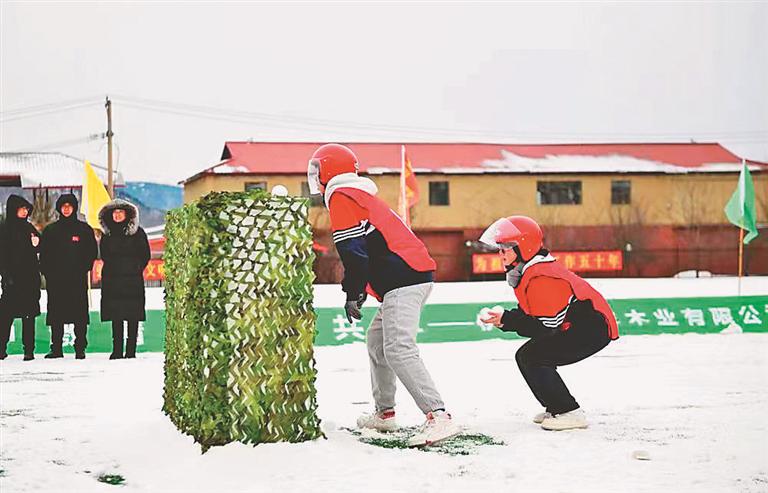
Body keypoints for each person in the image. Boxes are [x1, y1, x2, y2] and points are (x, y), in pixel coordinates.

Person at [308, 143, 459, 446]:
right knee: (377, 343)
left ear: (327, 171)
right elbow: (366, 250)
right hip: (405, 278)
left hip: (405, 279)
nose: (315, 177)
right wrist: (359, 289)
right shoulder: (357, 194)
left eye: (316, 170)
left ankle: (438, 416)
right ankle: (385, 414)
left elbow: (354, 252)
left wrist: (352, 292)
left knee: (398, 348)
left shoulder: (341, 195)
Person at [480, 215, 619, 431]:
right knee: (533, 354)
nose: (500, 255)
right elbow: (535, 313)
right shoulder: (531, 271)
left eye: (505, 249)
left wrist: (508, 320)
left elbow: (545, 325)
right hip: (578, 326)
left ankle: (568, 411)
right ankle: (556, 407)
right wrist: (505, 320)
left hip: (592, 328)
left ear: (522, 248)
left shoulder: (541, 276)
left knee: (531, 356)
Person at [40, 194, 98, 359]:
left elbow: (92, 252)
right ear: (59, 208)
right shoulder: (51, 230)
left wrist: (84, 268)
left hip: (77, 280)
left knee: (79, 315)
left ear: (74, 208)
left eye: (69, 206)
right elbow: (43, 254)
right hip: (56, 281)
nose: (66, 209)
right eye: (63, 206)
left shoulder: (84, 229)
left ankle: (80, 348)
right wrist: (48, 273)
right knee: (56, 315)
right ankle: (56, 348)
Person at [98, 199, 150, 359]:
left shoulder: (138, 233)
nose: (118, 215)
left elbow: (145, 255)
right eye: (115, 212)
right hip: (112, 280)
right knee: (116, 316)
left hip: (132, 280)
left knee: (132, 315)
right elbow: (104, 255)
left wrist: (134, 268)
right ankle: (117, 349)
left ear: (127, 215)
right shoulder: (107, 235)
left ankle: (131, 350)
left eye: (121, 212)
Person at [0, 195, 42, 360]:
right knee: (5, 317)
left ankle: (29, 350)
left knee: (29, 316)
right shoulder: (4, 229)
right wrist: (5, 275)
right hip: (12, 281)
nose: (25, 212)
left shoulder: (29, 228)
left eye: (27, 210)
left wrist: (38, 244)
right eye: (22, 209)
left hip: (29, 280)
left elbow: (40, 247)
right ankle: (1, 348)